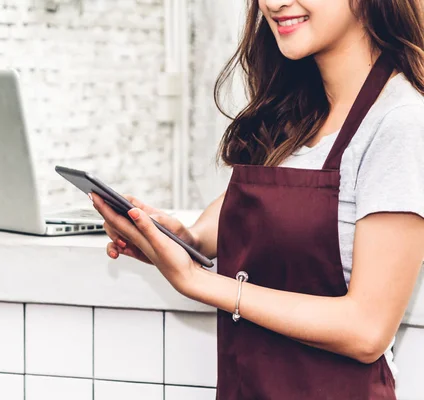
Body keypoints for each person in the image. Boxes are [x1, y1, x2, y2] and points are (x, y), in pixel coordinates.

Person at [89, 0, 424, 398]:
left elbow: (366, 329)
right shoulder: (293, 114)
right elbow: (239, 216)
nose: (273, 2)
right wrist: (180, 240)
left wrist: (197, 281)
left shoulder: (401, 122)